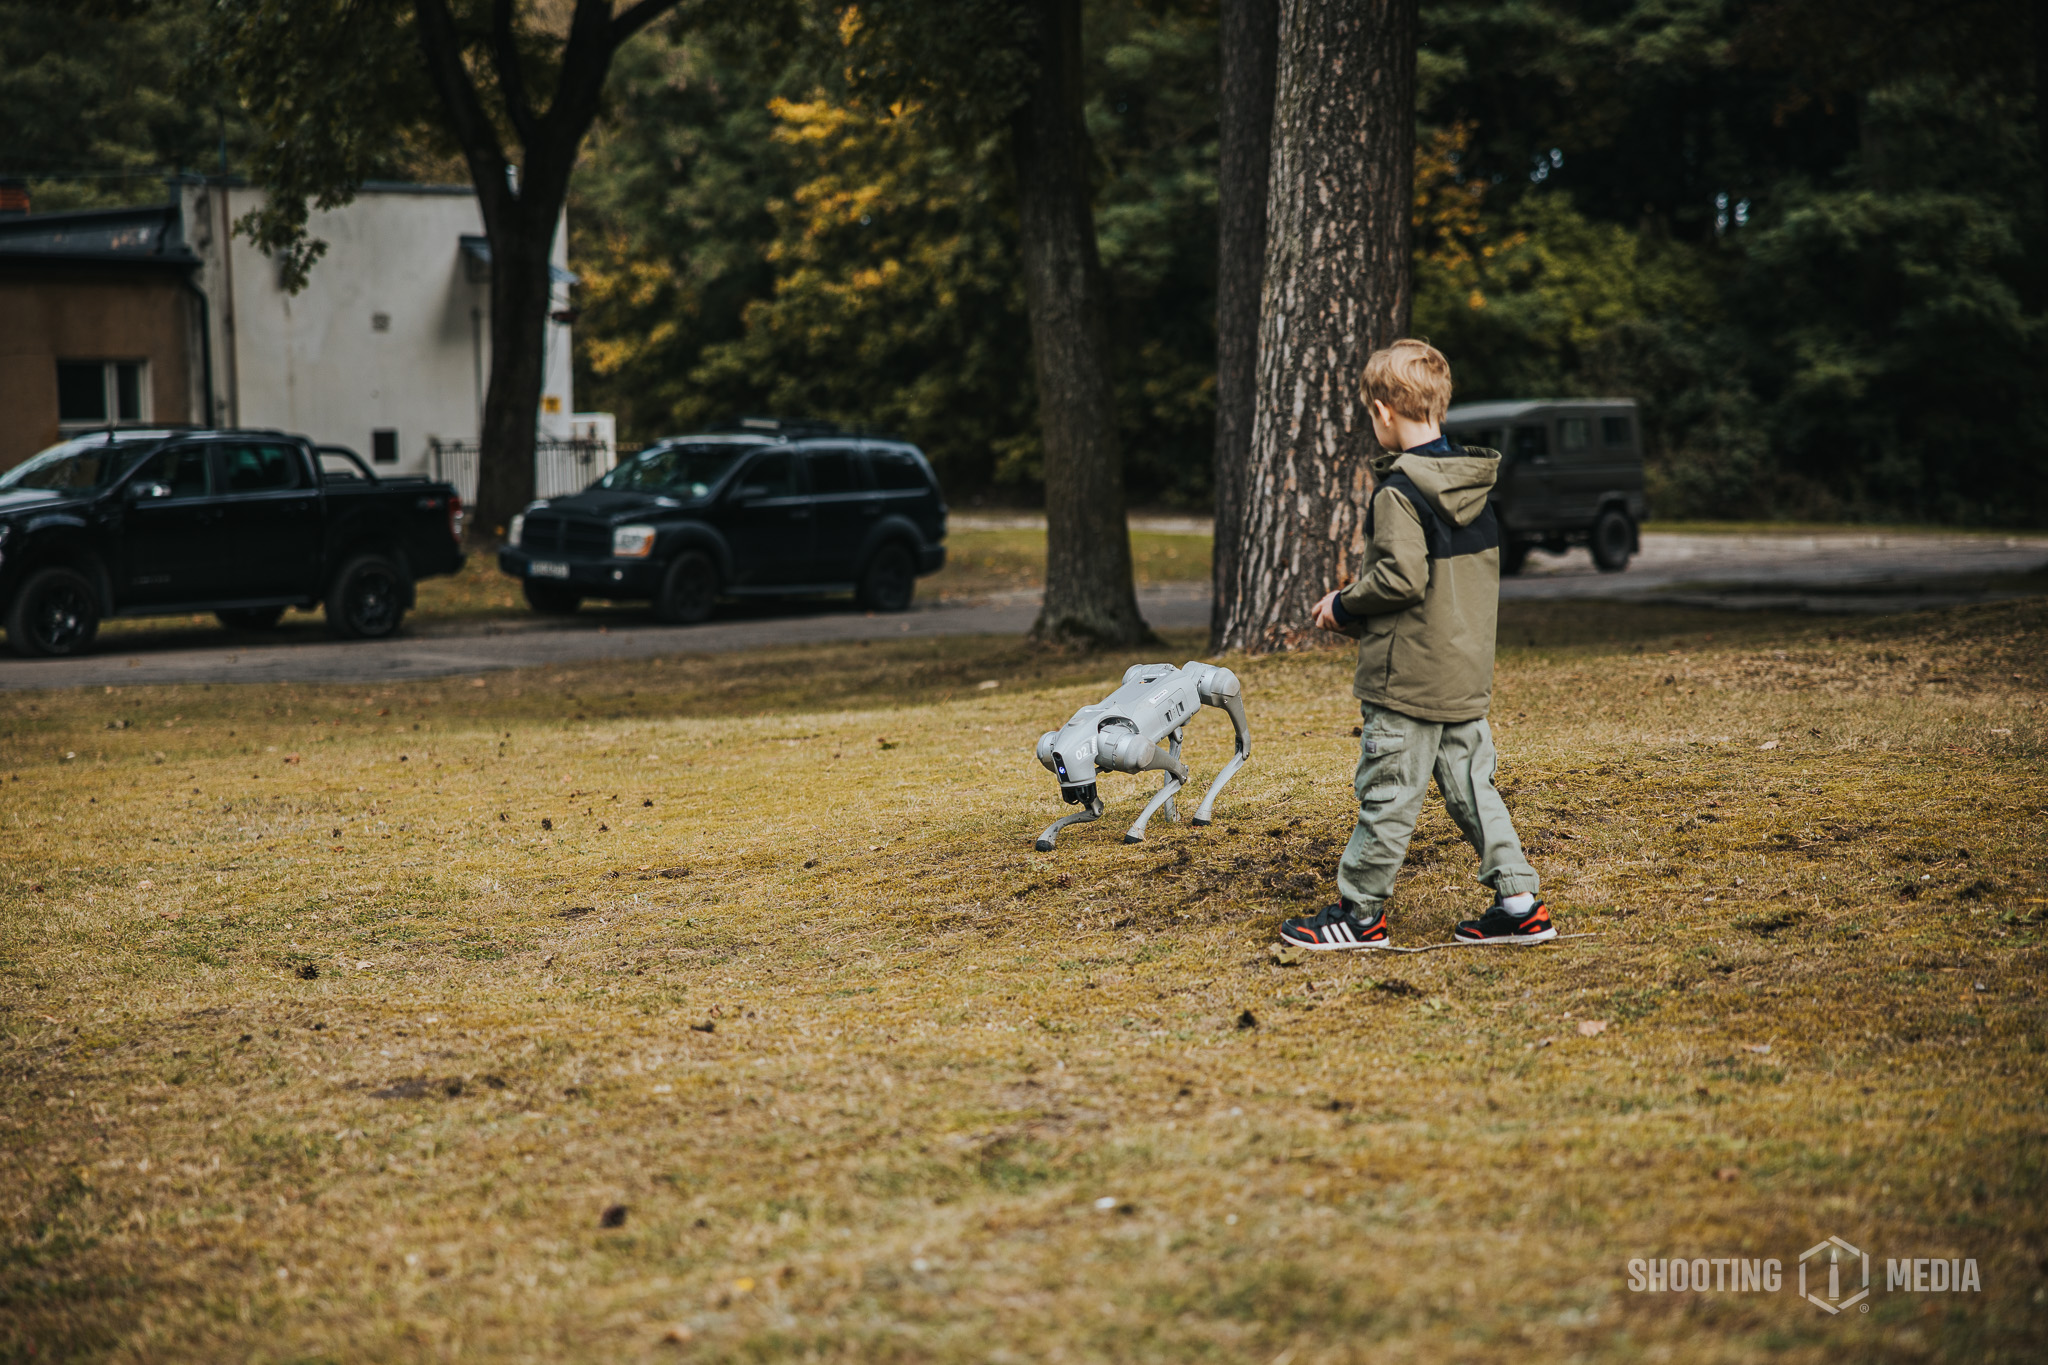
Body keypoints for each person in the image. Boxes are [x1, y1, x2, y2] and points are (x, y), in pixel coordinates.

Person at [1278, 339, 1555, 950]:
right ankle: (1519, 903)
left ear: (1382, 412)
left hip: (1406, 680)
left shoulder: (1401, 492)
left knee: (1388, 791)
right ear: (1440, 407)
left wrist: (1343, 605)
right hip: (1461, 672)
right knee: (1474, 789)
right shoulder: (1474, 486)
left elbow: (1402, 579)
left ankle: (1359, 915)